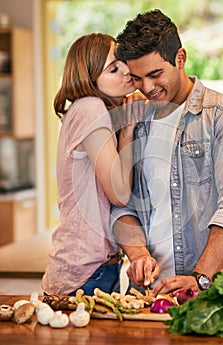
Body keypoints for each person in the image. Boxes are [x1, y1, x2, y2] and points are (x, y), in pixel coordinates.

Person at [112, 9, 223, 296]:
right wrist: (138, 254)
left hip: (210, 293)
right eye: (137, 78)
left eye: (155, 75)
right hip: (147, 296)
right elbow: (122, 206)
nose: (147, 88)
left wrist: (200, 277)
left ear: (180, 58)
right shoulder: (134, 123)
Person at [41, 33, 144, 296]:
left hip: (98, 268)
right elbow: (120, 194)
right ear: (89, 78)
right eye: (113, 69)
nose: (126, 71)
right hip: (83, 273)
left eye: (123, 62)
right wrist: (129, 129)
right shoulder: (90, 108)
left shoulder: (86, 110)